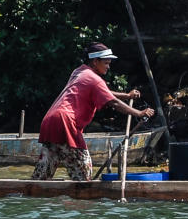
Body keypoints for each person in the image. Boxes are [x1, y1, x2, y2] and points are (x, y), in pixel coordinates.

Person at [32, 42, 155, 181]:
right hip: (65, 122)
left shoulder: (79, 71)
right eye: (106, 63)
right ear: (95, 61)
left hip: (50, 120)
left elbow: (105, 93)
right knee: (84, 171)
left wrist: (127, 96)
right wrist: (138, 113)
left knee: (44, 169)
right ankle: (84, 195)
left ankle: (35, 190)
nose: (108, 67)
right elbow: (112, 102)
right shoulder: (95, 79)